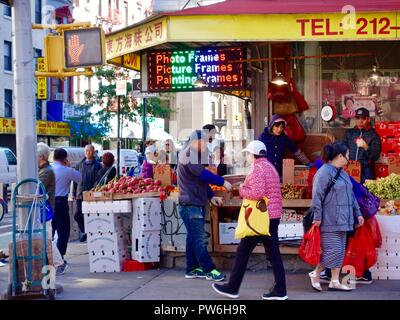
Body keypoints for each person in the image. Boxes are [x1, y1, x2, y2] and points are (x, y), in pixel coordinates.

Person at [212, 140, 288, 300]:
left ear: (252, 154)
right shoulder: (270, 166)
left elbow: (257, 193)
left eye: (247, 153)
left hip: (260, 218)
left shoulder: (257, 168)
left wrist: (241, 189)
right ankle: (281, 290)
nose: (247, 156)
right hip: (272, 216)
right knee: (274, 254)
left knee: (243, 251)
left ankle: (232, 288)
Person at [177, 130, 233, 281]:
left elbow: (200, 180)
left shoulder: (193, 155)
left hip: (194, 202)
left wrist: (212, 196)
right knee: (199, 240)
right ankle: (210, 270)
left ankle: (192, 269)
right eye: (205, 141)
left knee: (193, 238)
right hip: (190, 204)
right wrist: (223, 182)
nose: (207, 144)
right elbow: (203, 175)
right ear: (196, 141)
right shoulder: (188, 155)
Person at [308, 142, 364, 292]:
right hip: (329, 218)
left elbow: (351, 196)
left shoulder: (343, 173)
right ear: (340, 156)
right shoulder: (324, 172)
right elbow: (317, 196)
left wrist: (357, 213)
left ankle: (334, 281)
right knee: (332, 250)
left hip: (344, 219)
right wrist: (318, 217)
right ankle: (316, 273)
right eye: (347, 155)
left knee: (339, 251)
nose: (348, 158)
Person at [52, 148, 82, 274]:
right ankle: (60, 258)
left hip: (48, 202)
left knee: (50, 231)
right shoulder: (67, 171)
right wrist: (69, 166)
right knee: (63, 231)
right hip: (61, 202)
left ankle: (49, 257)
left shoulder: (48, 169)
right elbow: (79, 178)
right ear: (65, 159)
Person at [258, 114, 311, 179]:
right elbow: (257, 155)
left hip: (280, 173)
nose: (279, 129)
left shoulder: (284, 138)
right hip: (266, 174)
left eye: (281, 127)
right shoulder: (263, 137)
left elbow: (296, 151)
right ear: (272, 126)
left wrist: (308, 163)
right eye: (277, 127)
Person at [343, 107, 381, 183]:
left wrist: (366, 147)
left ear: (368, 119)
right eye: (357, 118)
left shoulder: (374, 135)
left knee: (365, 193)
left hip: (366, 171)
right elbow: (342, 148)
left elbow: (375, 156)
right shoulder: (349, 133)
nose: (360, 121)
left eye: (363, 118)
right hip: (350, 168)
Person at [74, 144, 102, 242]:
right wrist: (73, 193)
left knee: (91, 214)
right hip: (80, 194)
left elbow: (98, 181)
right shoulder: (79, 165)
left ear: (93, 152)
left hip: (91, 194)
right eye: (86, 151)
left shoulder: (98, 165)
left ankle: (92, 233)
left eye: (90, 151)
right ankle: (85, 230)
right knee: (77, 215)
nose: (88, 153)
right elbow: (75, 180)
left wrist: (93, 190)